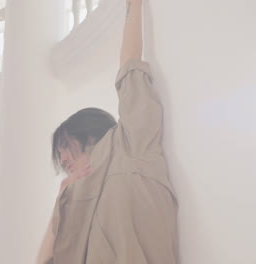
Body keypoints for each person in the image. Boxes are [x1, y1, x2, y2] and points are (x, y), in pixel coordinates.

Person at [37, 0, 179, 263]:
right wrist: (60, 202)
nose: (63, 158)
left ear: (87, 133)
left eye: (65, 146)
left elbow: (130, 67)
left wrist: (133, 6)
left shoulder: (130, 144)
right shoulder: (74, 197)